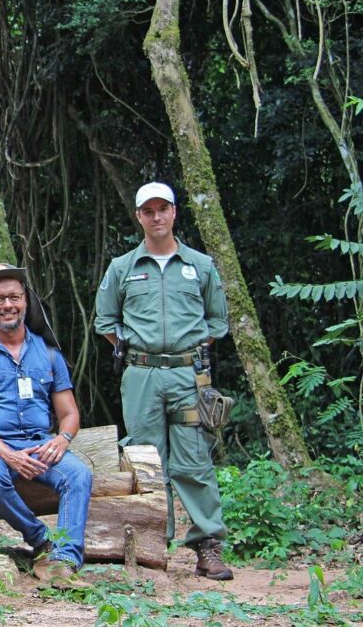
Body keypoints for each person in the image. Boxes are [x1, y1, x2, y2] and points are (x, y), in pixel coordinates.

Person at [94, 181, 233, 580]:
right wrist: (139, 352)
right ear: (139, 216)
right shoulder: (122, 267)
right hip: (141, 376)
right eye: (149, 211)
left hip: (190, 376)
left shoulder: (200, 266)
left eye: (163, 209)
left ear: (174, 213)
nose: (157, 217)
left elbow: (216, 322)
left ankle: (207, 545)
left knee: (194, 460)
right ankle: (153, 547)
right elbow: (105, 321)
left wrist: (186, 354)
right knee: (146, 459)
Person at [0, 264, 92, 584]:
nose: (7, 305)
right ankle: (42, 541)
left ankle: (65, 560)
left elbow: (69, 412)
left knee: (78, 474)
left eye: (14, 297)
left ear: (26, 301)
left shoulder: (48, 353)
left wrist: (62, 439)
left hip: (39, 444)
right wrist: (7, 454)